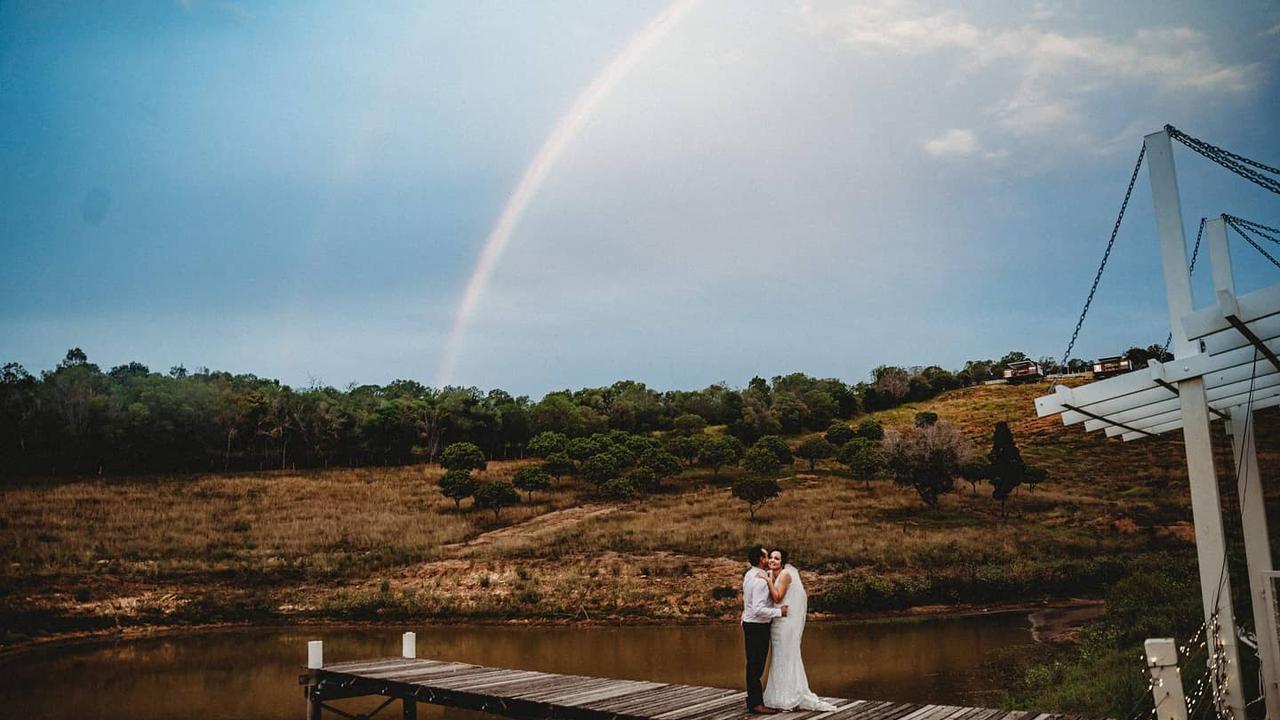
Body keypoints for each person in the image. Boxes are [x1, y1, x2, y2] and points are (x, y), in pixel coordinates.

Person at [761, 549, 837, 712]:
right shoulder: (771, 573)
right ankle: (779, 695)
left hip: (786, 623)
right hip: (776, 622)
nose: (772, 560)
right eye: (771, 558)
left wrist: (767, 581)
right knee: (778, 658)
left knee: (788, 657)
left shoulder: (786, 574)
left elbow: (778, 597)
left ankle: (790, 696)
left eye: (777, 558)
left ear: (783, 562)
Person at [742, 546, 787, 714]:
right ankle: (756, 704)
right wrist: (779, 612)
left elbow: (747, 599)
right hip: (758, 626)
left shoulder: (749, 574)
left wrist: (744, 612)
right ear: (761, 559)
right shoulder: (760, 581)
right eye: (767, 556)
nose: (768, 559)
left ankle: (752, 699)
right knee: (756, 666)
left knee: (752, 664)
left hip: (750, 624)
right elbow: (758, 609)